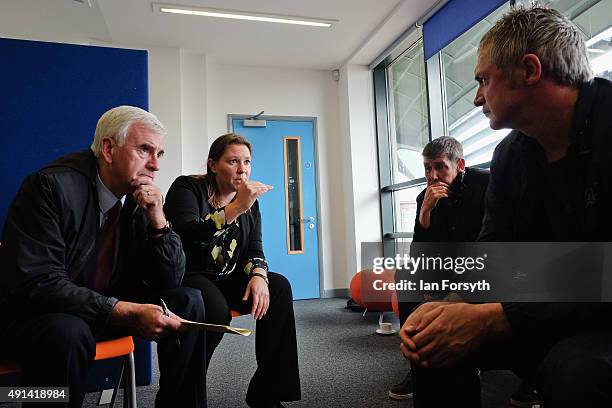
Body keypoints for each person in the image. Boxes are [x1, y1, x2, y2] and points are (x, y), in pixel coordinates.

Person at [400, 7, 612, 408]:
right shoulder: (510, 156)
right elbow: (494, 254)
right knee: (433, 339)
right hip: (547, 309)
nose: (478, 96)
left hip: (600, 320)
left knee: (577, 371)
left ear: (529, 70)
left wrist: (502, 315)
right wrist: (452, 308)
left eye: (483, 79)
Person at [0, 106, 207, 408]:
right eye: (144, 150)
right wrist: (124, 310)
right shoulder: (50, 186)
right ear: (109, 149)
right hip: (41, 315)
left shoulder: (139, 197)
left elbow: (170, 278)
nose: (155, 165)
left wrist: (158, 221)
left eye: (159, 154)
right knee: (68, 332)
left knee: (188, 300)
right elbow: (39, 284)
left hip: (102, 307)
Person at [164, 133, 301, 408]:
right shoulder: (187, 188)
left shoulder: (251, 203)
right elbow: (186, 236)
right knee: (214, 311)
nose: (242, 169)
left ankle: (266, 392)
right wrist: (236, 208)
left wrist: (259, 275)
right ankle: (182, 398)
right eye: (233, 161)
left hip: (226, 277)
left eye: (247, 161)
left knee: (279, 287)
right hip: (189, 273)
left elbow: (254, 248)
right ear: (213, 165)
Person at [389, 136, 489, 400]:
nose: (433, 176)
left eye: (440, 167)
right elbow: (419, 256)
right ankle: (419, 359)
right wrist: (426, 213)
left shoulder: (485, 186)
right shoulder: (425, 196)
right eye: (427, 168)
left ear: (460, 165)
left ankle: (527, 374)